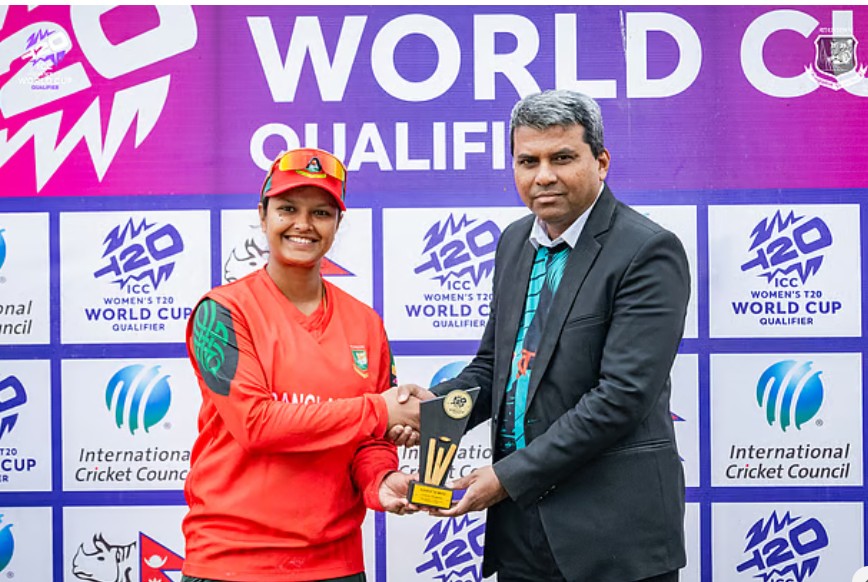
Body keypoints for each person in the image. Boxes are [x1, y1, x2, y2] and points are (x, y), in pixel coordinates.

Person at [395, 90, 690, 582]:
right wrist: (430, 412)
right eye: (528, 161)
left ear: (601, 162)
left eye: (562, 158)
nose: (543, 176)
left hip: (612, 538)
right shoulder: (514, 241)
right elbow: (496, 367)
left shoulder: (647, 251)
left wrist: (506, 478)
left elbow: (621, 397)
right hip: (520, 528)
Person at [181, 148, 421, 582]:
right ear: (263, 215)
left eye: (321, 213)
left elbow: (368, 441)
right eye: (288, 208)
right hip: (231, 562)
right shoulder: (220, 312)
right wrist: (381, 410)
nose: (303, 224)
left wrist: (381, 480)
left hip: (335, 563)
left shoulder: (365, 323)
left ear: (337, 223)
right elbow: (256, 424)